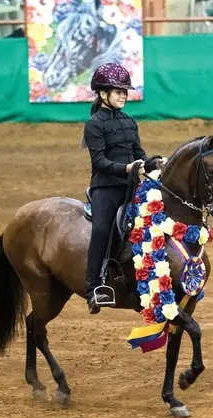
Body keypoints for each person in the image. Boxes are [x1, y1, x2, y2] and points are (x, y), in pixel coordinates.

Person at [82, 62, 163, 315]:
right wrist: (127, 168)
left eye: (125, 92)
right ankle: (93, 287)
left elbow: (140, 154)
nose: (123, 96)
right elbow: (100, 162)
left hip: (131, 187)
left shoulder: (130, 122)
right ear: (103, 94)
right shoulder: (94, 124)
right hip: (105, 187)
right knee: (103, 229)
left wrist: (156, 162)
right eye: (118, 91)